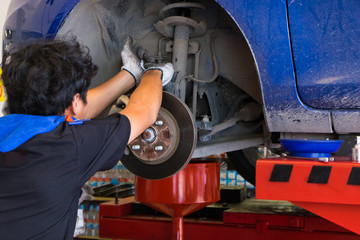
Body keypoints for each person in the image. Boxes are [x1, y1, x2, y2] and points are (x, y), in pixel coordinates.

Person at [0, 37, 174, 239]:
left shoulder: (17, 131)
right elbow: (144, 112)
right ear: (74, 102)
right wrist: (154, 72)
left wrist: (131, 74)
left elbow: (73, 113)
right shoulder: (69, 146)